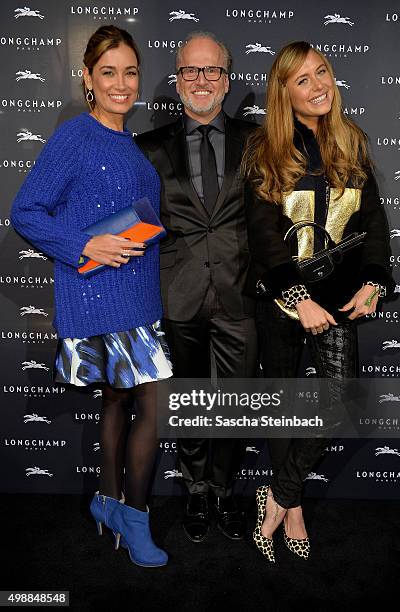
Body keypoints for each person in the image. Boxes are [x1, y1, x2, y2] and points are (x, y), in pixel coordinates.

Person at [11, 26, 172, 568]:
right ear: (87, 77)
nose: (121, 84)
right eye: (109, 72)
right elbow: (26, 212)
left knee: (120, 400)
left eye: (130, 72)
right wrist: (85, 243)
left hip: (140, 296)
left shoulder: (131, 142)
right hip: (99, 296)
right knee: (149, 400)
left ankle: (107, 503)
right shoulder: (74, 137)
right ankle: (135, 515)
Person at [242, 41, 395, 562]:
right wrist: (297, 296)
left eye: (322, 72)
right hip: (282, 300)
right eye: (303, 79)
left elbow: (373, 222)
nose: (318, 85)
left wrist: (374, 281)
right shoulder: (265, 148)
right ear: (284, 93)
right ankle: (297, 507)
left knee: (342, 398)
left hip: (337, 299)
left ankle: (282, 495)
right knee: (284, 408)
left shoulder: (351, 140)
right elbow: (262, 235)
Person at [136, 32, 258, 543]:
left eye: (211, 71)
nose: (201, 80)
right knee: (187, 398)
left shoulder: (258, 143)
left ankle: (226, 491)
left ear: (226, 81)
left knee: (234, 401)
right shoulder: (146, 148)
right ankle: (196, 492)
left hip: (241, 294)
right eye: (190, 71)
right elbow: (129, 223)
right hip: (176, 294)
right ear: (178, 80)